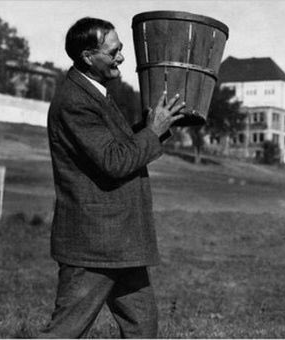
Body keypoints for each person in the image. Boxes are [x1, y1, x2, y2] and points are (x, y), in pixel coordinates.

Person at [39, 17, 185, 338]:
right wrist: (152, 131)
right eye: (113, 52)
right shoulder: (75, 102)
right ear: (88, 56)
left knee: (143, 327)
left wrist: (157, 125)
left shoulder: (97, 93)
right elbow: (114, 162)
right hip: (93, 245)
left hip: (121, 241)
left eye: (120, 49)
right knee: (64, 332)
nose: (121, 58)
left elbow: (117, 149)